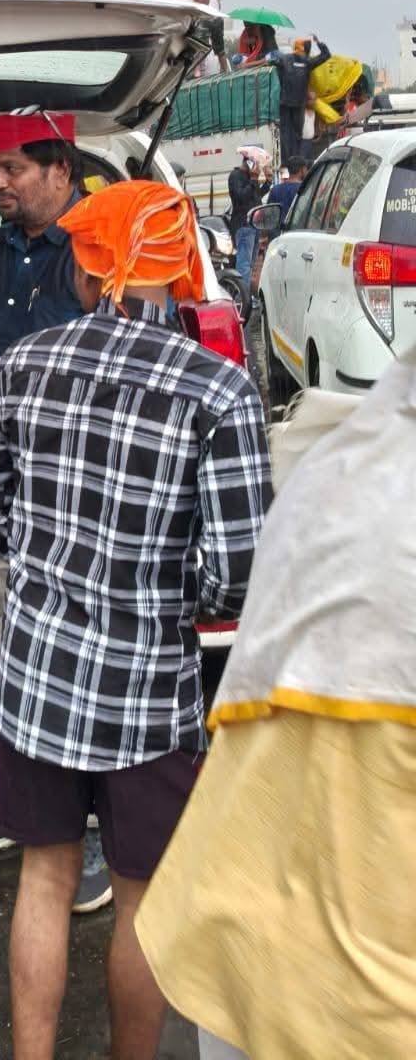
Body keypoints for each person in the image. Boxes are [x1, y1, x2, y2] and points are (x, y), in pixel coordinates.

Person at [0, 180, 271, 1060]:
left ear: (90, 270)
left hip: (35, 683)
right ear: (179, 276)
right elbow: (236, 574)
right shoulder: (219, 392)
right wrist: (159, 587)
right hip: (150, 695)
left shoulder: (21, 365)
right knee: (139, 893)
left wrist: (58, 561)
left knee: (44, 876)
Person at [136, 346, 416, 1059]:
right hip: (363, 1008)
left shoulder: (335, 460)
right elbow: (227, 574)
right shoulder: (220, 389)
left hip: (238, 948)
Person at [0, 111, 108, 908]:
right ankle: (23, 804)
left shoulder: (99, 245)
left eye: (11, 170)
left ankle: (98, 833)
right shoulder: (4, 247)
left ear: (60, 172)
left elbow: (90, 355)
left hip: (75, 487)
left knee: (77, 656)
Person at [267, 35, 330, 163]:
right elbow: (325, 55)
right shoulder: (307, 62)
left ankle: (286, 160)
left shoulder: (285, 59)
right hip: (298, 104)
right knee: (297, 133)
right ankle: (295, 160)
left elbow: (270, 61)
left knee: (285, 132)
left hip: (285, 103)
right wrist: (319, 42)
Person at [227, 148, 268, 286]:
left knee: (251, 263)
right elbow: (241, 197)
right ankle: (242, 297)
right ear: (249, 162)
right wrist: (254, 179)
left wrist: (267, 182)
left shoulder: (250, 178)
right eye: (256, 164)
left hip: (254, 224)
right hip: (243, 225)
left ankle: (246, 295)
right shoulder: (235, 175)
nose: (258, 167)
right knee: (244, 264)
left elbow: (256, 197)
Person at [266, 155, 306, 220]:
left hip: (278, 229)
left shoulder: (275, 189)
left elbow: (268, 214)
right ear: (302, 169)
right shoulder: (305, 189)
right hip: (299, 229)